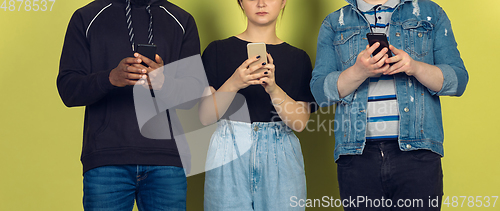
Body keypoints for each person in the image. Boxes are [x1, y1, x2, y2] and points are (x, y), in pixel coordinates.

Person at [310, 0, 468, 210]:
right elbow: (320, 92)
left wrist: (414, 67)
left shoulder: (430, 14)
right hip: (357, 156)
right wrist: (358, 72)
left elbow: (457, 81)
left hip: (418, 153)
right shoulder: (334, 23)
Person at [56, 0, 202, 210]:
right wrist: (110, 78)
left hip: (166, 159)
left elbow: (194, 96)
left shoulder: (181, 20)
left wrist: (163, 82)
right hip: (107, 157)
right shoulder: (87, 17)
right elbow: (68, 90)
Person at [199, 0, 315, 210]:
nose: (261, 3)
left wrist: (273, 88)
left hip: (281, 154)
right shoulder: (217, 50)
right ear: (241, 3)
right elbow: (205, 116)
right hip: (228, 150)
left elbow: (300, 123)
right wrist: (234, 82)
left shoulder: (299, 58)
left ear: (283, 2)